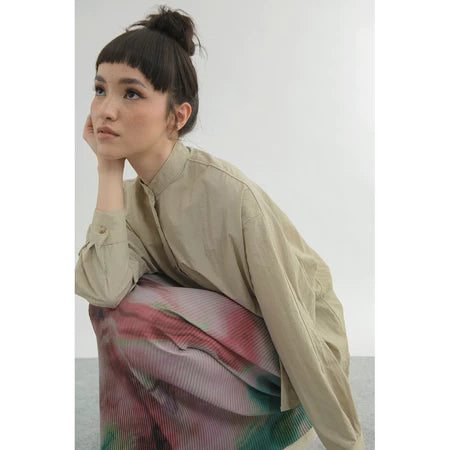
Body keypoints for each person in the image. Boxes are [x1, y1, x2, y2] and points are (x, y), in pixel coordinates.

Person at [75, 5, 365, 450]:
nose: (105, 111)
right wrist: (108, 170)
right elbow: (103, 291)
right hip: (224, 348)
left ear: (176, 117)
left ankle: (274, 431)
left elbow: (296, 326)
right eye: (100, 89)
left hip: (289, 358)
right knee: (114, 310)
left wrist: (345, 441)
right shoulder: (129, 202)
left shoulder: (229, 195)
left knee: (137, 314)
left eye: (131, 93)